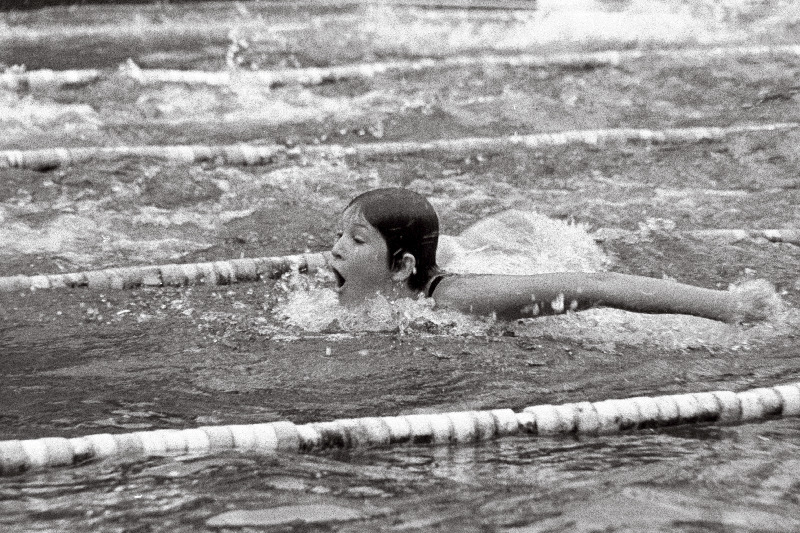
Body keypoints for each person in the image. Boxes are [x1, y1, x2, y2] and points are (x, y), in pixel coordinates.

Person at [330, 188, 768, 323]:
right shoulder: (361, 282)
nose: (336, 248)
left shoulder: (459, 301)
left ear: (402, 267)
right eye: (339, 235)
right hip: (490, 244)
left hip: (536, 248)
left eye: (357, 240)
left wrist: (727, 305)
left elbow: (598, 286)